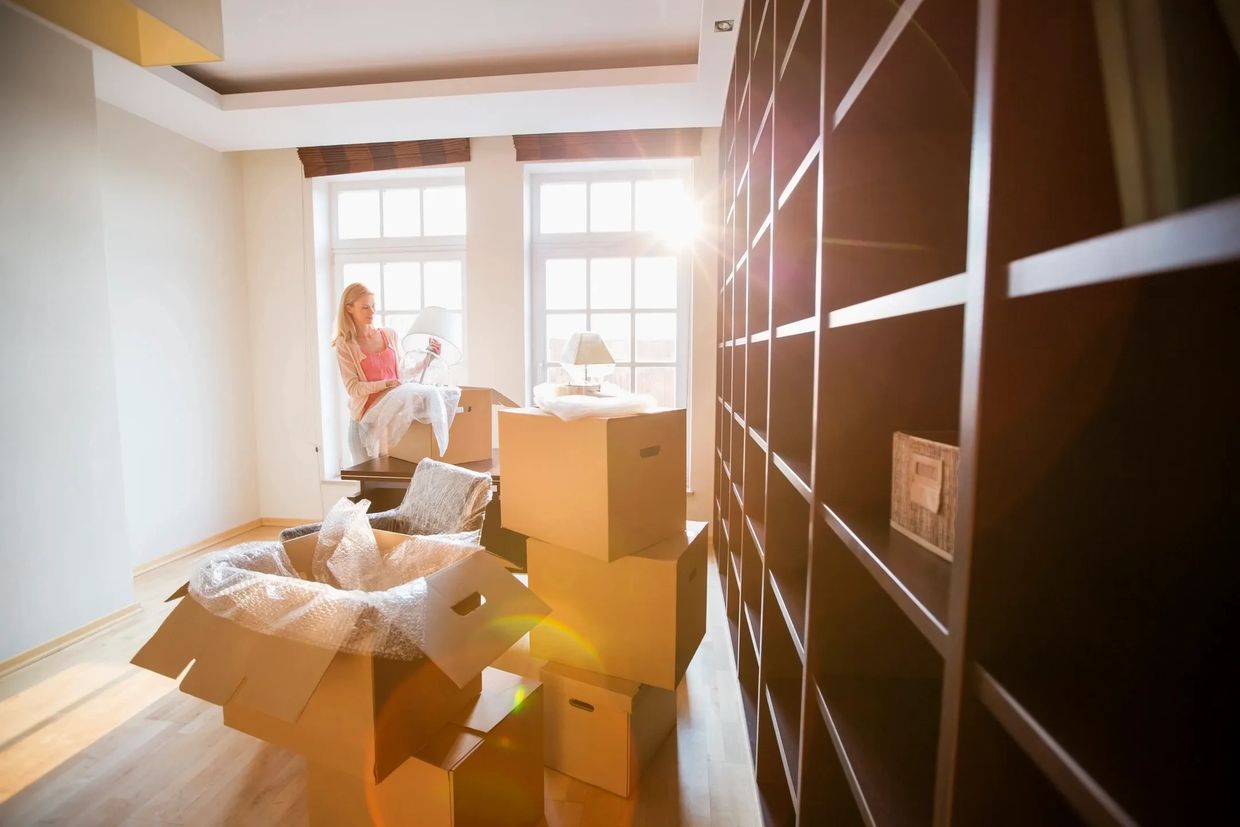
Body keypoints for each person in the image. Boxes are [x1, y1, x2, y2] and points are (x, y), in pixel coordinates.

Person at [333, 282, 441, 462]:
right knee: (369, 487)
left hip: (391, 425)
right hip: (363, 427)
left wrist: (427, 360)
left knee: (395, 485)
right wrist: (385, 384)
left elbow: (402, 374)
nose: (372, 312)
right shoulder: (345, 344)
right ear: (349, 308)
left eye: (373, 306)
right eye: (365, 307)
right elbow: (353, 388)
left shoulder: (389, 335)